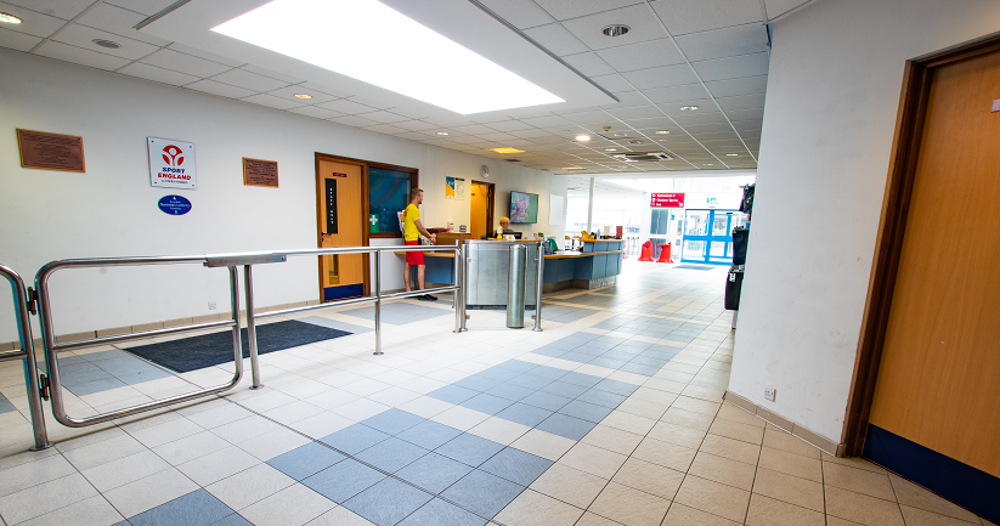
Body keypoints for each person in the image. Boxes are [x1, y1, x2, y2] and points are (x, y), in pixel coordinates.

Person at [403, 188, 437, 300]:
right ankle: (422, 293)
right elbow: (420, 227)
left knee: (409, 265)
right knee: (421, 266)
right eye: (421, 196)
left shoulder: (407, 209)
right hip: (413, 241)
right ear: (417, 197)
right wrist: (430, 236)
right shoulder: (414, 209)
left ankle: (408, 291)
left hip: (408, 240)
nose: (422, 198)